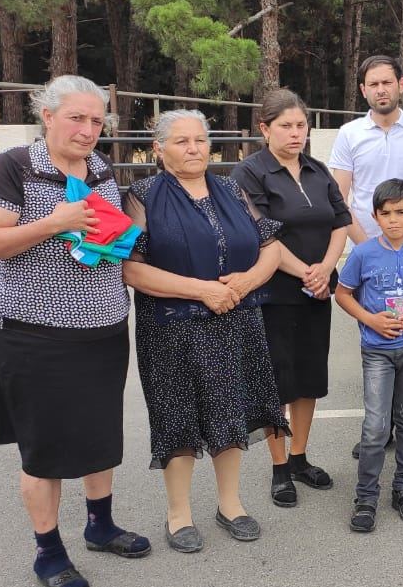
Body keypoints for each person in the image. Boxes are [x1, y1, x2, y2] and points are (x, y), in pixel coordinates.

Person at [0, 75, 150, 587]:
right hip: (32, 335)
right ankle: (48, 551)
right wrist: (56, 221)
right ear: (47, 116)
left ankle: (100, 525)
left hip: (102, 330)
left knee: (98, 436)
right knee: (44, 448)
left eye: (97, 121)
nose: (89, 130)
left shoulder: (99, 169)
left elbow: (105, 233)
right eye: (77, 118)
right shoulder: (15, 167)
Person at [122, 110, 290, 553]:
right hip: (172, 327)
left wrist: (248, 280)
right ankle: (179, 513)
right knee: (178, 414)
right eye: (181, 142)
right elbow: (132, 270)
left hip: (237, 318)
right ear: (158, 149)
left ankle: (230, 504)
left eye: (200, 140)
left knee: (231, 407)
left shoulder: (232, 189)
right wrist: (202, 292)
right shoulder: (141, 196)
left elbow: (271, 248)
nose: (194, 149)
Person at [232, 89, 351, 507]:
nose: (296, 133)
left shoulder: (318, 170)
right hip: (275, 293)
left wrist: (325, 271)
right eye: (286, 126)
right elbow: (264, 233)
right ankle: (280, 466)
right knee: (278, 381)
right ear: (264, 129)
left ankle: (300, 457)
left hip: (317, 292)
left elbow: (340, 222)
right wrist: (306, 271)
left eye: (301, 125)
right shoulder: (250, 173)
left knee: (309, 380)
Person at [330, 54, 403, 456]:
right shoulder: (349, 134)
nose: (381, 89)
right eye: (373, 84)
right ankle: (378, 431)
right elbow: (339, 199)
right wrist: (368, 249)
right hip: (367, 250)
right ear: (363, 90)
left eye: (387, 82)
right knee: (378, 337)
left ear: (401, 83)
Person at [335, 179, 403, 532]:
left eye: (401, 213)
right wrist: (370, 319)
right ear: (375, 217)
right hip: (378, 352)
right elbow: (343, 294)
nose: (394, 220)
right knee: (375, 427)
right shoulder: (364, 253)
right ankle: (366, 496)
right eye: (386, 214)